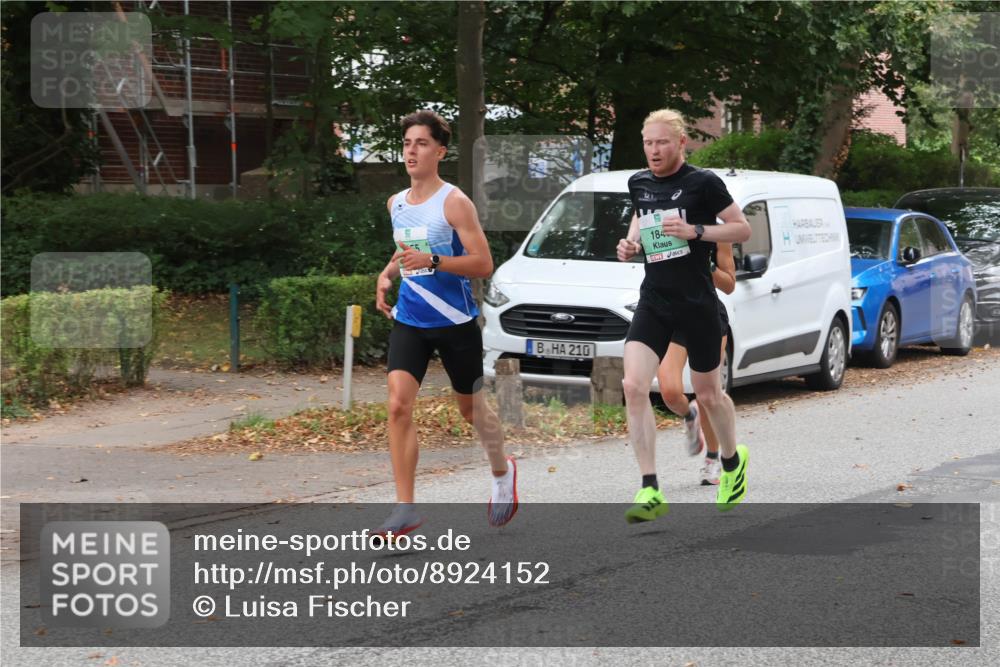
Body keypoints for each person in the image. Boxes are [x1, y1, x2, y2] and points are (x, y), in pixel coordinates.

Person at [374, 110, 517, 536]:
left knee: (471, 410)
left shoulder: (454, 201)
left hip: (455, 322)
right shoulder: (396, 203)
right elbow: (406, 251)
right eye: (406, 144)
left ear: (440, 150)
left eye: (420, 143)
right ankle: (405, 508)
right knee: (398, 404)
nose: (411, 151)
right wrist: (387, 274)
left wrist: (435, 260)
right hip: (411, 319)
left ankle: (501, 472)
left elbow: (482, 263)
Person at [616, 108, 751, 522]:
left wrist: (697, 232)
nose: (654, 150)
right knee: (634, 385)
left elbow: (741, 228)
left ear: (680, 143)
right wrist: (631, 243)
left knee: (709, 394)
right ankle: (649, 488)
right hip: (655, 300)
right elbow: (642, 213)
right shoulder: (638, 182)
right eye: (648, 143)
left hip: (697, 303)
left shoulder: (703, 183)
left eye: (661, 143)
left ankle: (732, 461)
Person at [656, 242, 736, 486]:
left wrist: (705, 265)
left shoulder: (716, 232)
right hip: (673, 316)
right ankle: (689, 416)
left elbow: (729, 284)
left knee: (706, 395)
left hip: (707, 316)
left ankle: (714, 459)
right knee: (669, 391)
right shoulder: (662, 221)